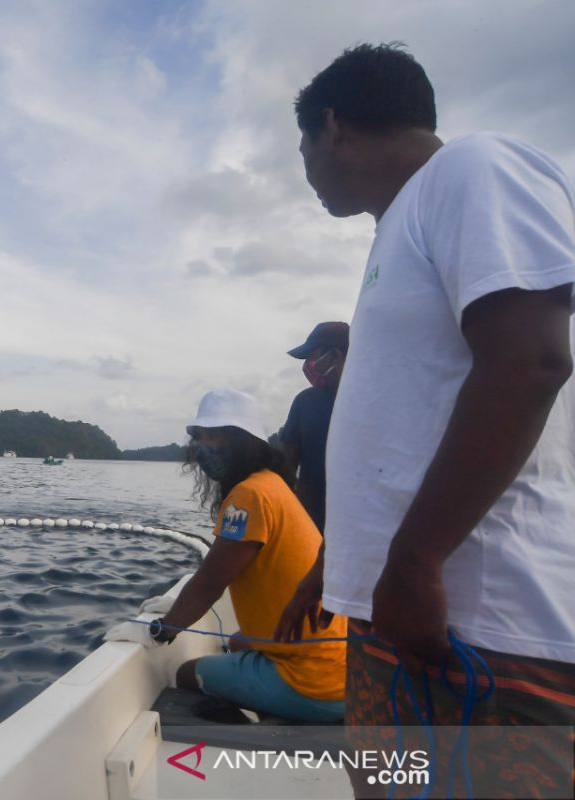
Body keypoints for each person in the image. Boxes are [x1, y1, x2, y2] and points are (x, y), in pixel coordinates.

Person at [277, 43, 574, 793]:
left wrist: (412, 563)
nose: (306, 168)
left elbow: (530, 360)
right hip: (400, 614)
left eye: (303, 145)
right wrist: (334, 565)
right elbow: (406, 422)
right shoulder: (397, 231)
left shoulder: (474, 168)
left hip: (479, 627)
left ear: (333, 127)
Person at [108, 389, 347, 722]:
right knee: (236, 643)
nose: (203, 447)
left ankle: (264, 724)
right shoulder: (273, 484)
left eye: (213, 437)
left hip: (313, 682)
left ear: (241, 441)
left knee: (186, 674)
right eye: (199, 437)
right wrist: (178, 608)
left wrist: (159, 630)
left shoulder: (248, 495)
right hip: (340, 668)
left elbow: (210, 584)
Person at [279, 321, 348, 530]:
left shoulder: (374, 401)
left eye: (312, 356)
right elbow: (285, 468)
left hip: (357, 524)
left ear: (334, 356)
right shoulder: (304, 402)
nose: (307, 365)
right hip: (309, 524)